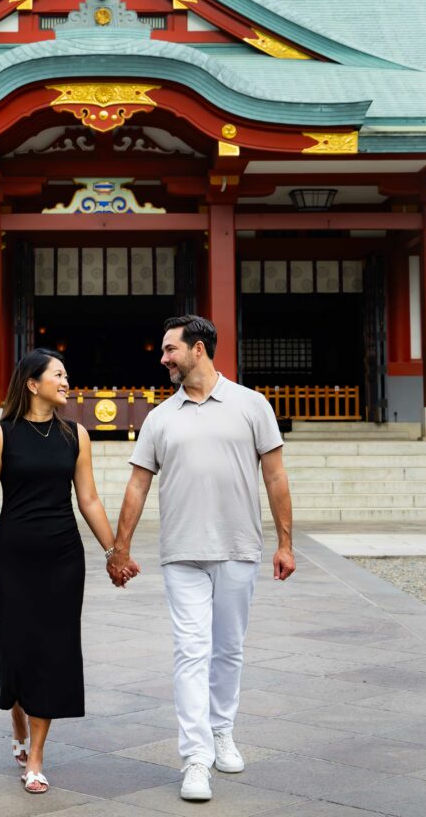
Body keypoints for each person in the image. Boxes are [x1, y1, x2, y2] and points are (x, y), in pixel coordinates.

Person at [106, 316, 295, 803]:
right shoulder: (160, 417)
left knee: (228, 649)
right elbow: (137, 485)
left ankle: (221, 731)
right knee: (191, 652)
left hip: (238, 548)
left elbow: (275, 476)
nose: (163, 358)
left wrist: (285, 543)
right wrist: (120, 547)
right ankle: (194, 757)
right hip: (182, 553)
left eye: (170, 349)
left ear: (198, 349)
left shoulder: (251, 405)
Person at [0, 348, 127, 794]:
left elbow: (89, 499)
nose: (65, 382)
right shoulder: (0, 436)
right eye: (57, 375)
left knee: (53, 654)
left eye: (66, 374)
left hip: (63, 560)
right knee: (16, 652)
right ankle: (18, 721)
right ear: (32, 383)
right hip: (12, 559)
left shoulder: (76, 435)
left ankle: (37, 758)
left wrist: (114, 551)